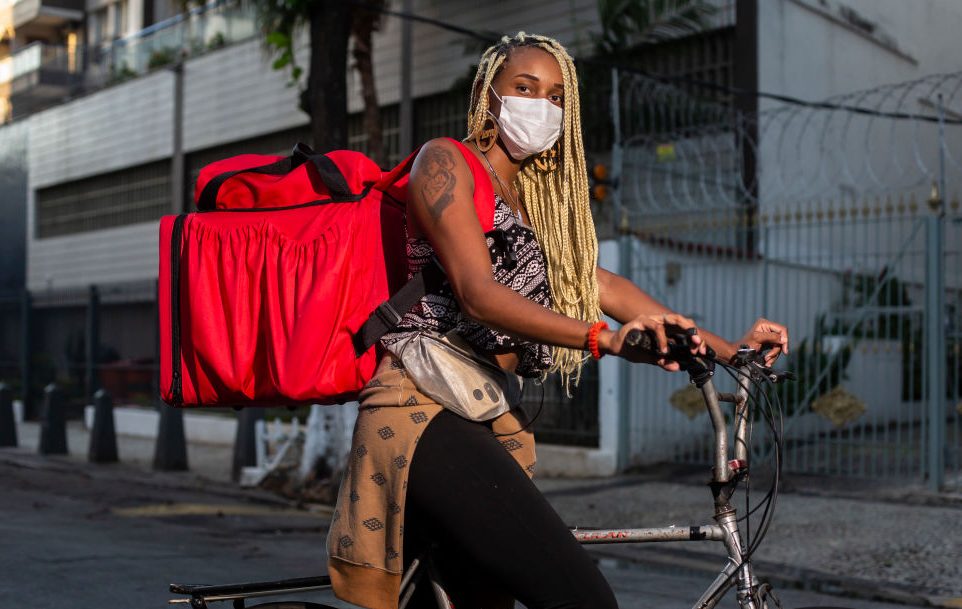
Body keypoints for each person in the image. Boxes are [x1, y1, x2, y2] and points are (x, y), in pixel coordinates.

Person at [326, 32, 789, 609]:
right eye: (525, 88)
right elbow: (478, 294)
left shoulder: (529, 202)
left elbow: (600, 284)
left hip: (487, 411)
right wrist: (604, 339)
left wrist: (731, 353)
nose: (540, 106)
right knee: (583, 599)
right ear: (490, 94)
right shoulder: (446, 161)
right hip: (423, 408)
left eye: (555, 97)